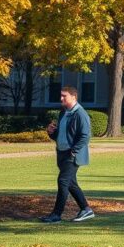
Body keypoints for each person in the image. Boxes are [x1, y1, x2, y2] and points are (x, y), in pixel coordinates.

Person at [40, 86, 94, 223]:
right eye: (61, 95)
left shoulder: (80, 114)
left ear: (74, 97)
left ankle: (56, 214)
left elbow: (85, 136)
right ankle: (86, 209)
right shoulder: (63, 112)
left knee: (63, 181)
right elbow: (62, 135)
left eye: (64, 96)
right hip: (61, 154)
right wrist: (51, 133)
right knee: (70, 183)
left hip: (72, 155)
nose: (61, 98)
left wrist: (74, 150)